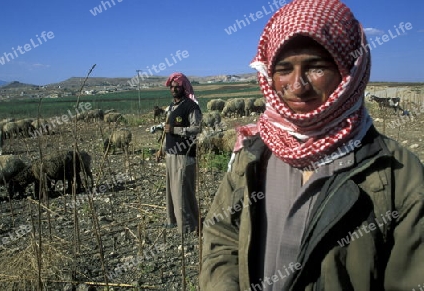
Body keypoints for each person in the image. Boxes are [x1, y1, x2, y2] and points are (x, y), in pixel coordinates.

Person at [199, 0, 424, 290]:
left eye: (316, 67)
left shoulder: (398, 175)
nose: (297, 85)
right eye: (283, 69)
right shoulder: (254, 154)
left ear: (349, 72)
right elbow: (221, 236)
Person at [156, 72, 202, 234]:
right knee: (171, 189)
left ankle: (188, 225)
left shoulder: (191, 107)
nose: (174, 89)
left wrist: (176, 129)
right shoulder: (171, 107)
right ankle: (173, 220)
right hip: (170, 154)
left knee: (182, 189)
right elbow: (166, 131)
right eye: (172, 87)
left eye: (177, 87)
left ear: (184, 88)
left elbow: (197, 128)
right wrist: (161, 149)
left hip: (184, 154)